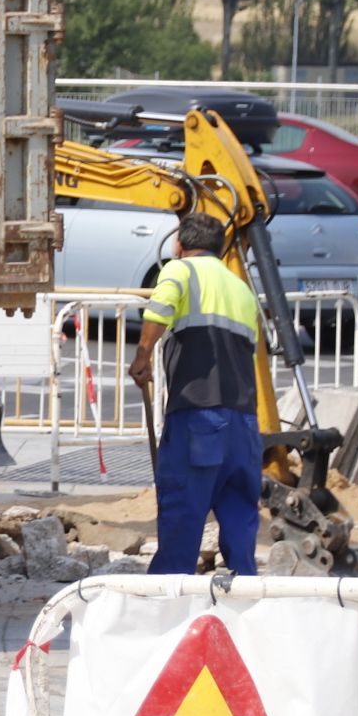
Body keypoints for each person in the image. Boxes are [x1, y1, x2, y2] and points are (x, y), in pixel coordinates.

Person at [126, 210, 265, 575]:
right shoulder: (241, 289)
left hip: (199, 417)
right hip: (244, 424)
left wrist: (143, 356)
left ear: (180, 245)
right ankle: (245, 602)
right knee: (239, 518)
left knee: (182, 516)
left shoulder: (180, 270)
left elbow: (160, 308)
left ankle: (168, 608)